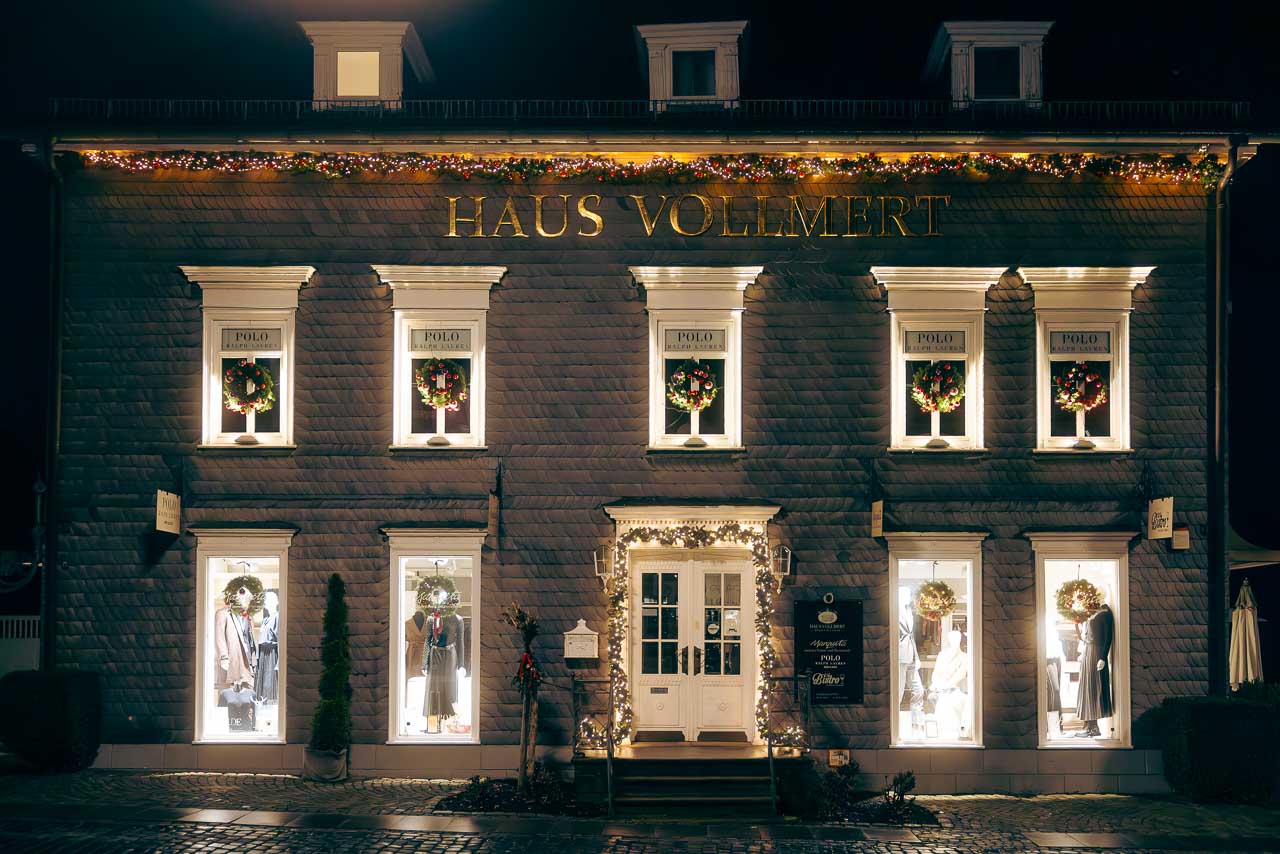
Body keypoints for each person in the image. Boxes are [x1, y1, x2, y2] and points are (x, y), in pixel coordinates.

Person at [930, 629, 970, 739]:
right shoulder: (942, 655)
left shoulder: (964, 657)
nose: (954, 641)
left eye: (956, 639)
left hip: (955, 689)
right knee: (940, 701)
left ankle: (954, 731)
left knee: (949, 702)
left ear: (960, 640)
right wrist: (936, 684)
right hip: (941, 688)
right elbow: (936, 672)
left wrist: (946, 686)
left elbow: (960, 675)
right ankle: (940, 730)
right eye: (952, 639)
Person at [898, 589, 925, 737]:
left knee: (918, 690)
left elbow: (911, 635)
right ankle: (895, 725)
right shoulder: (894, 610)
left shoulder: (909, 611)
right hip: (900, 656)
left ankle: (917, 723)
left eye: (909, 594)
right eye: (905, 594)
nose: (908, 597)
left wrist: (917, 657)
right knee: (898, 692)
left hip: (911, 656)